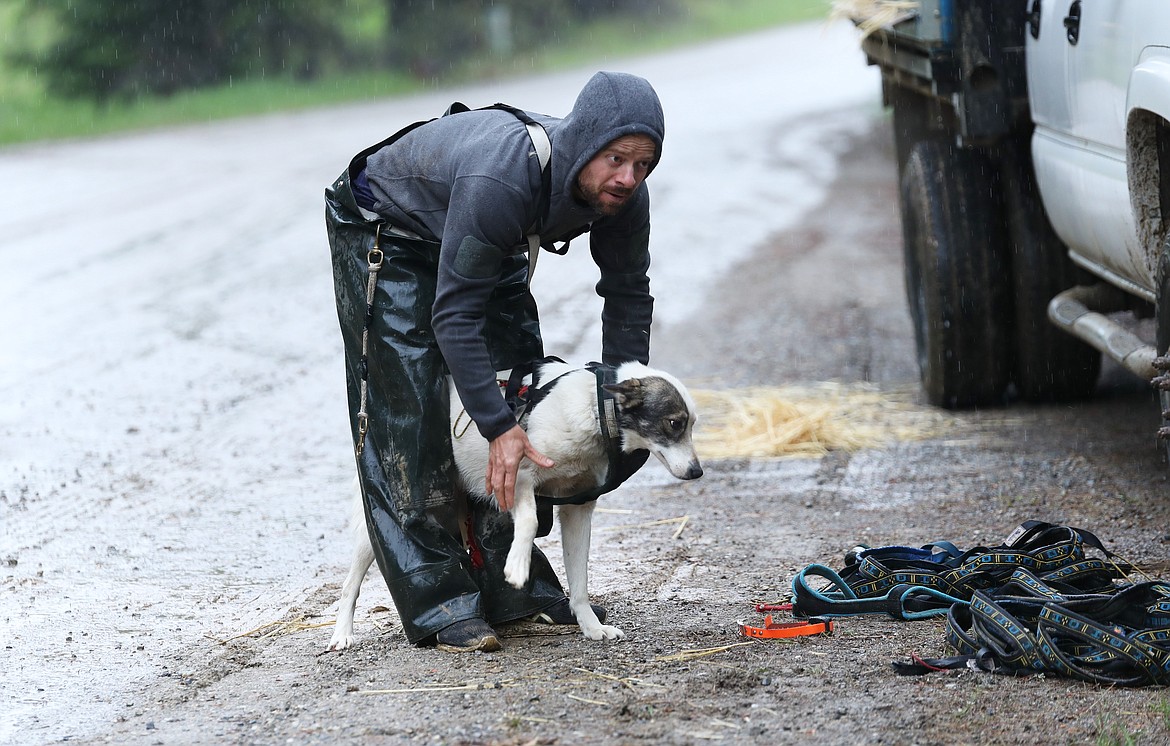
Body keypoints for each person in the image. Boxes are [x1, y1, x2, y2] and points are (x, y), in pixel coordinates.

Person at [325, 71, 665, 652]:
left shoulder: (623, 197)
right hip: (393, 230)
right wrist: (497, 427)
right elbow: (452, 317)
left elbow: (629, 293)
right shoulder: (503, 176)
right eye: (615, 159)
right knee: (416, 415)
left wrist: (620, 406)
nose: (628, 177)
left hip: (490, 238)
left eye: (643, 164)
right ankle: (439, 601)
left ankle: (512, 586)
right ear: (584, 144)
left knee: (521, 388)